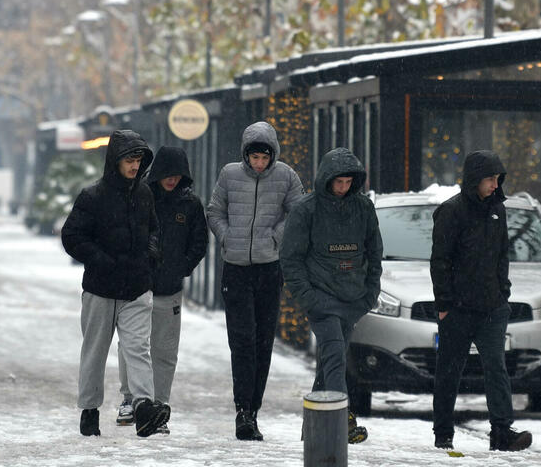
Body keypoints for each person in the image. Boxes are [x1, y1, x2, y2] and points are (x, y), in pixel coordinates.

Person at [61, 130, 170, 438]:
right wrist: (100, 259)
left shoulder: (144, 195)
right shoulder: (93, 196)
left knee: (137, 348)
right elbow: (71, 236)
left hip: (136, 286)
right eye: (129, 160)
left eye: (139, 160)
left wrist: (151, 253)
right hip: (100, 288)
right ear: (116, 161)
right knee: (95, 351)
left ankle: (144, 407)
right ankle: (90, 409)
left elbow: (154, 230)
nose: (135, 166)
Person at [206, 121, 304, 441]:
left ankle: (254, 410)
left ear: (272, 155)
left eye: (264, 158)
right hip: (235, 269)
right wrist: (227, 237)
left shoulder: (287, 176)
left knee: (263, 342)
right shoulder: (229, 174)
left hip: (268, 269)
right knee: (242, 340)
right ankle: (242, 410)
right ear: (245, 156)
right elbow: (214, 211)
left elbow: (298, 214)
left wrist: (274, 238)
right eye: (254, 158)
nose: (259, 163)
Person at [430, 150, 532, 452]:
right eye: (490, 178)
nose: (494, 184)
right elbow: (440, 260)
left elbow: (502, 255)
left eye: (497, 179)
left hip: (492, 308)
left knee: (496, 368)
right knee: (449, 370)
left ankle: (502, 431)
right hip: (458, 309)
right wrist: (445, 304)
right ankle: (443, 433)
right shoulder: (452, 212)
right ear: (475, 179)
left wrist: (503, 295)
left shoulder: (498, 211)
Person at [280, 148, 382, 445]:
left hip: (353, 299)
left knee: (329, 364)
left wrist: (369, 294)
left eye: (348, 182)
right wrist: (309, 298)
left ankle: (312, 431)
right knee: (335, 353)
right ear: (326, 180)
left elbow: (374, 252)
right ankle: (342, 419)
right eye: (338, 182)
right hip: (321, 299)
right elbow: (291, 258)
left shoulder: (363, 208)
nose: (343, 188)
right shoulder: (306, 209)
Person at [115, 146, 208, 434]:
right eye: (168, 173)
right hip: (138, 285)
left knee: (165, 350)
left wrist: (181, 267)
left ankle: (159, 404)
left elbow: (199, 243)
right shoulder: (141, 198)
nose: (173, 179)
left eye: (178, 174)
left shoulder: (190, 205)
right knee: (133, 344)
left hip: (169, 289)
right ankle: (130, 398)